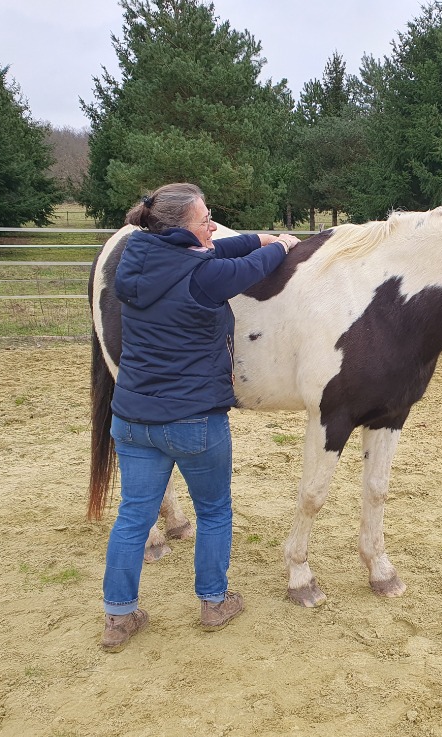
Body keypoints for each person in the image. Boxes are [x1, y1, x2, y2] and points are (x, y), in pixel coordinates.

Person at [100, 182, 300, 652]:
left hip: (132, 419)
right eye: (205, 218)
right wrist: (282, 247)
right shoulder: (203, 277)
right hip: (193, 422)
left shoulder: (135, 259)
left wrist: (257, 237)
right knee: (213, 512)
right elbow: (248, 269)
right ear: (184, 230)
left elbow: (217, 248)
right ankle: (214, 602)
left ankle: (118, 618)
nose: (212, 224)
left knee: (132, 516)